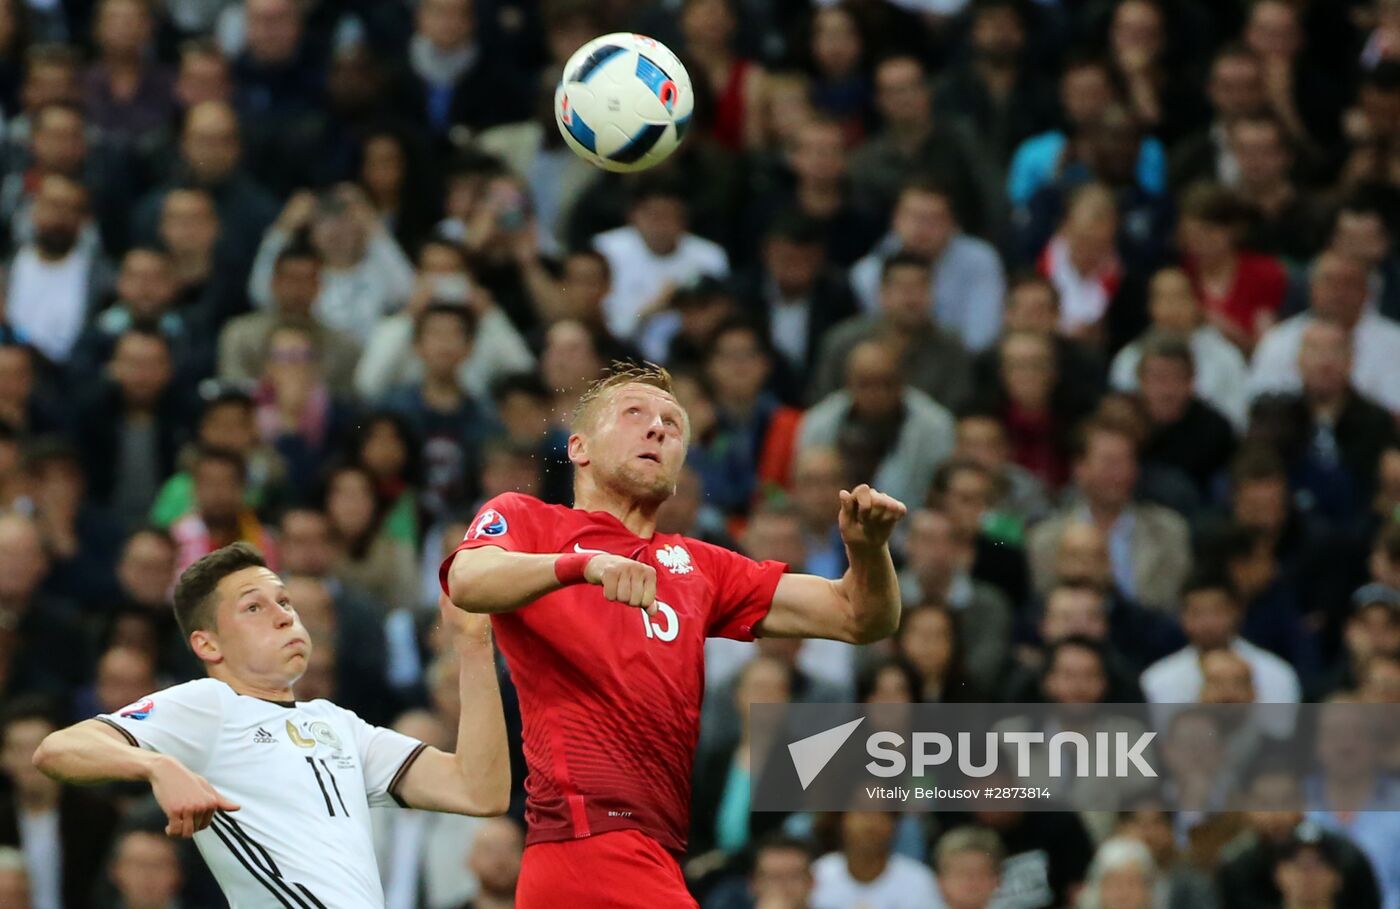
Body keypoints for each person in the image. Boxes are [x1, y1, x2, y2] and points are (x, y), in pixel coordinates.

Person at [440, 362, 907, 907]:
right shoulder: (530, 521)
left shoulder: (699, 566)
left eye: (673, 424)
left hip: (647, 855)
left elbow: (861, 617)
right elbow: (468, 580)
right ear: (580, 448)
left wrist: (869, 551)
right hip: (589, 846)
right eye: (635, 414)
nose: (659, 429)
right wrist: (581, 566)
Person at [33, 542, 511, 907]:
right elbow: (57, 750)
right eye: (254, 607)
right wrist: (157, 767)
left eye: (284, 601)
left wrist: (473, 645)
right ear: (207, 645)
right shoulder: (211, 704)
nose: (283, 615)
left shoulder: (339, 725)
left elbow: (478, 791)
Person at [0, 699, 120, 909]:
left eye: (38, 746)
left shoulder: (98, 817)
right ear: (4, 758)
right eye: (19, 749)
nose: (31, 760)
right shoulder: (2, 822)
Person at [810, 812, 941, 909]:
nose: (871, 825)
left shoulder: (919, 880)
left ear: (895, 825)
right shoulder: (818, 874)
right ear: (841, 821)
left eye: (882, 814)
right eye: (863, 812)